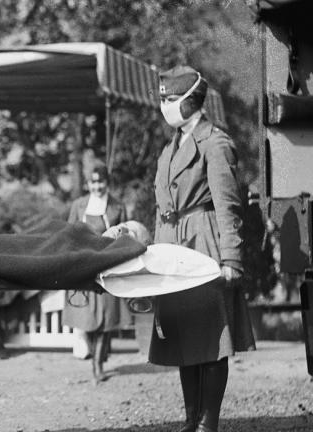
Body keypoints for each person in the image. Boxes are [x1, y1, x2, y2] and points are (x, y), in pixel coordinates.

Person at [152, 66, 255, 432]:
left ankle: (208, 423)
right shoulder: (171, 146)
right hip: (172, 244)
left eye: (168, 99)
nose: (162, 105)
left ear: (189, 101)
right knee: (184, 339)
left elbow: (229, 205)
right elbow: (163, 206)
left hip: (204, 243)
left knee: (210, 339)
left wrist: (231, 258)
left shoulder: (216, 143)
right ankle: (190, 419)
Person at [62, 164, 131, 384]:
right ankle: (94, 357)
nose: (97, 186)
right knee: (88, 317)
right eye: (93, 182)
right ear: (88, 184)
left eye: (101, 182)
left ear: (107, 183)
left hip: (108, 265)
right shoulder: (79, 205)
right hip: (83, 266)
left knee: (106, 319)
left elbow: (125, 235)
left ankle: (98, 364)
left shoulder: (117, 206)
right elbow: (68, 235)